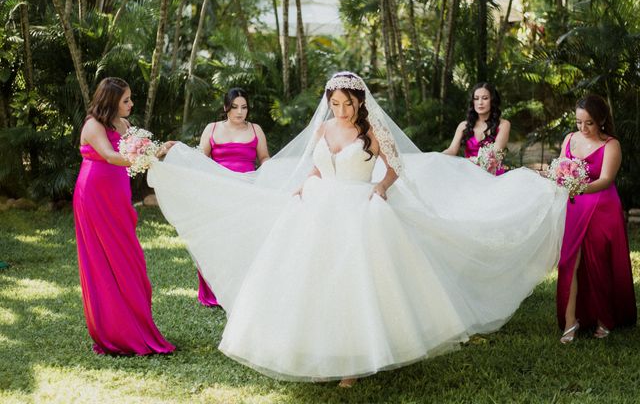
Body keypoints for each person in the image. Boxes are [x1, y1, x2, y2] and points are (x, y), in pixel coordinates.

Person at [148, 72, 566, 384]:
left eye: (347, 104)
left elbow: (396, 168)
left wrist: (381, 187)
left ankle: (354, 362)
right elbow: (314, 165)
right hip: (317, 206)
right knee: (314, 282)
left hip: (360, 207)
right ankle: (318, 351)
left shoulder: (371, 129)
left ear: (359, 102)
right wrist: (305, 185)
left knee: (357, 284)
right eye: (335, 103)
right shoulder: (323, 127)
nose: (340, 110)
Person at [73, 77, 175, 355]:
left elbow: (132, 157)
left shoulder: (124, 124)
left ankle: (135, 322)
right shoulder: (93, 125)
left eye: (130, 99)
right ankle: (115, 331)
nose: (131, 104)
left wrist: (159, 150)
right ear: (110, 101)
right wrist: (145, 156)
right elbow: (109, 155)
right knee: (105, 258)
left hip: (117, 193)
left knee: (129, 257)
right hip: (94, 193)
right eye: (126, 100)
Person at [556, 95, 636, 343]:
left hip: (602, 208)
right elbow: (560, 166)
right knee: (570, 261)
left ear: (601, 120)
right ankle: (571, 322)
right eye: (579, 122)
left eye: (589, 123)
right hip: (574, 207)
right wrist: (559, 178)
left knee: (599, 262)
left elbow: (605, 180)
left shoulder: (611, 144)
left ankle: (605, 317)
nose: (582, 128)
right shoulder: (569, 138)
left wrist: (577, 186)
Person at [194, 88, 269, 307]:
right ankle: (215, 292)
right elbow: (201, 160)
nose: (239, 112)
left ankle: (242, 289)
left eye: (244, 107)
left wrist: (268, 171)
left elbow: (264, 157)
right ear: (226, 107)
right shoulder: (212, 129)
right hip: (218, 192)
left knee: (244, 240)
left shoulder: (256, 129)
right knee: (217, 239)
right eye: (235, 107)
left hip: (248, 190)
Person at [443, 82, 510, 175]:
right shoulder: (463, 126)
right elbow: (452, 150)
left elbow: (495, 153)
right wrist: (436, 156)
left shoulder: (503, 125)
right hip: (469, 175)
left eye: (485, 98)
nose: (480, 102)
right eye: (476, 98)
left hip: (493, 177)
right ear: (473, 101)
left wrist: (467, 161)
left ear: (492, 101)